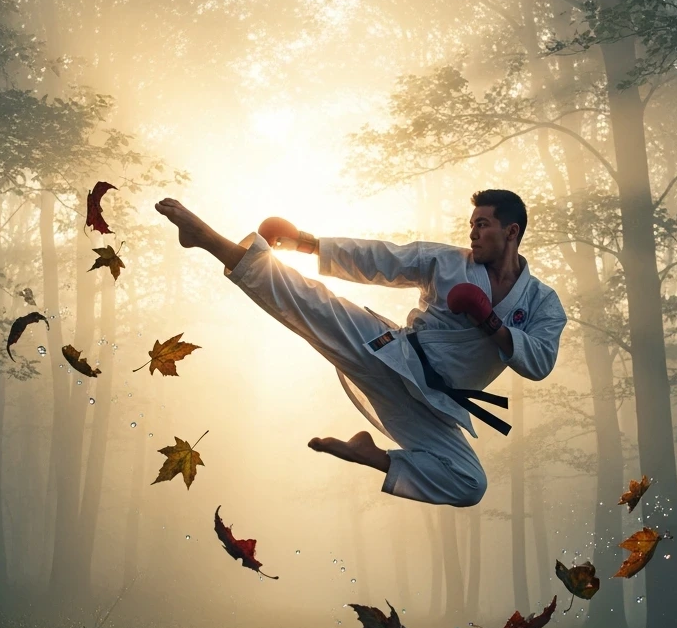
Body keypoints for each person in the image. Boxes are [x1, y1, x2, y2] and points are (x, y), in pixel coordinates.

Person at [155, 189, 567, 508]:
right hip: (390, 351)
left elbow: (540, 362)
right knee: (312, 303)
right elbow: (384, 258)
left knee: (470, 483)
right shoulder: (448, 262)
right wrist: (305, 242)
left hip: (434, 405)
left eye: (484, 225)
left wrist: (489, 321)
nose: (473, 233)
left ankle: (370, 455)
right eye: (472, 224)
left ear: (512, 232)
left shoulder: (541, 303)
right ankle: (208, 238)